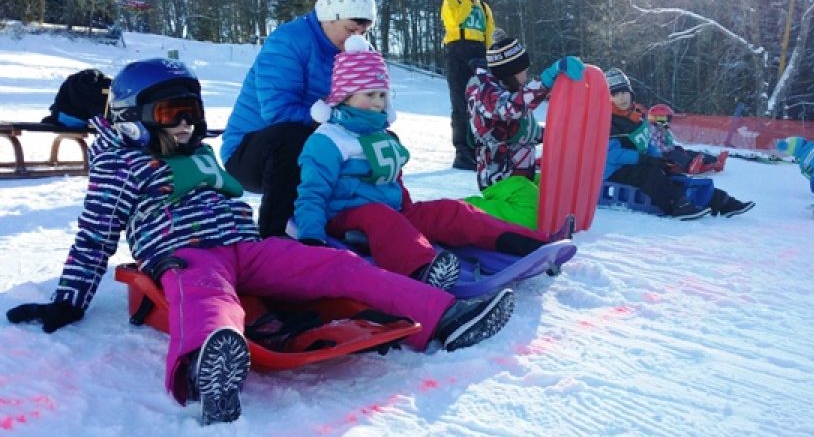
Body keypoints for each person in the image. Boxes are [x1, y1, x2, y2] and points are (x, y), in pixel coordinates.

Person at [6, 58, 517, 426]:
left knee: (333, 267)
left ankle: (443, 315)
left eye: (190, 112)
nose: (184, 125)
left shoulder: (195, 149)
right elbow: (95, 236)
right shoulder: (121, 165)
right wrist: (68, 301)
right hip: (185, 255)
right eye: (169, 115)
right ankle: (209, 365)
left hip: (248, 247)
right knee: (207, 296)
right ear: (131, 119)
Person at [294, 36, 572, 290]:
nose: (378, 103)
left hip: (393, 214)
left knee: (453, 211)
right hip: (345, 219)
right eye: (370, 95)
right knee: (379, 215)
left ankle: (531, 244)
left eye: (382, 95)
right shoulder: (328, 139)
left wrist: (414, 214)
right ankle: (424, 269)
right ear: (345, 96)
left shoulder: (383, 135)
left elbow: (395, 183)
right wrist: (311, 241)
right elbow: (312, 194)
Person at [220, 0, 377, 238]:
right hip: (251, 153)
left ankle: (361, 222)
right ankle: (274, 236)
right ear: (330, 17)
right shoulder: (289, 41)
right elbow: (277, 112)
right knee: (292, 140)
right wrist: (334, 118)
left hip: (315, 136)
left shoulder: (354, 50)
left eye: (363, 33)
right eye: (351, 30)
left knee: (378, 142)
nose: (357, 39)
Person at [604, 71, 754, 220]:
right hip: (615, 169)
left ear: (631, 93)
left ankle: (719, 201)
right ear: (608, 98)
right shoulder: (608, 121)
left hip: (638, 163)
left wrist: (659, 159)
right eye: (614, 94)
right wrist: (644, 159)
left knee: (671, 172)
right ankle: (676, 205)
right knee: (651, 175)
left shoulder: (637, 118)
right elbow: (611, 154)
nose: (621, 98)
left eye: (624, 92)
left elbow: (646, 142)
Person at [466, 32, 583, 190]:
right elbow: (511, 108)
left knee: (557, 187)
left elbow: (525, 132)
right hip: (499, 183)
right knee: (532, 209)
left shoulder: (510, 92)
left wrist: (563, 134)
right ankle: (475, 209)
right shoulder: (485, 94)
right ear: (510, 72)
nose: (526, 74)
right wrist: (547, 79)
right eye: (523, 70)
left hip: (519, 177)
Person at [441, 0, 495, 170]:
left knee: (482, 104)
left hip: (480, 54)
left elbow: (488, 35)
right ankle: (462, 153)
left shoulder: (485, 9)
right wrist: (468, 1)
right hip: (457, 51)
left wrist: (489, 57)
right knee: (460, 104)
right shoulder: (452, 0)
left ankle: (481, 150)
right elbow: (454, 21)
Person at [646, 103, 728, 174]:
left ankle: (715, 161)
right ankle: (690, 165)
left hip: (668, 151)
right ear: (656, 119)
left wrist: (674, 147)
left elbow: (667, 142)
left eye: (668, 119)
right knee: (675, 154)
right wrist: (670, 149)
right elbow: (656, 147)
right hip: (661, 156)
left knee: (687, 152)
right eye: (665, 119)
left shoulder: (663, 129)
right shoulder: (651, 130)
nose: (668, 121)